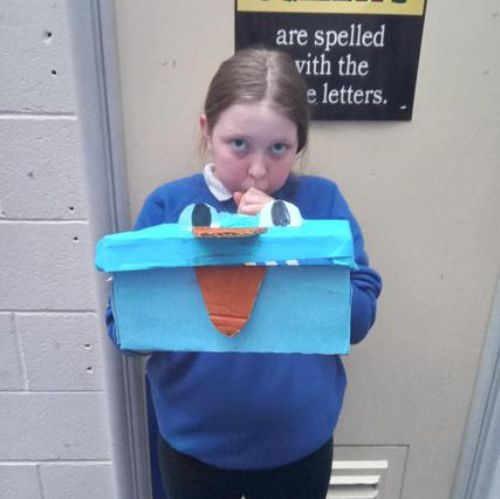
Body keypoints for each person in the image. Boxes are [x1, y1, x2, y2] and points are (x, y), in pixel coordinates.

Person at [107, 48, 382, 499]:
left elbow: (359, 319)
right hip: (193, 448)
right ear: (207, 131)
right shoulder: (168, 206)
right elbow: (125, 331)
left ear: (299, 145)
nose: (258, 170)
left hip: (299, 447)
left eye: (279, 148)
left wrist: (291, 236)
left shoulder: (322, 203)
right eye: (239, 144)